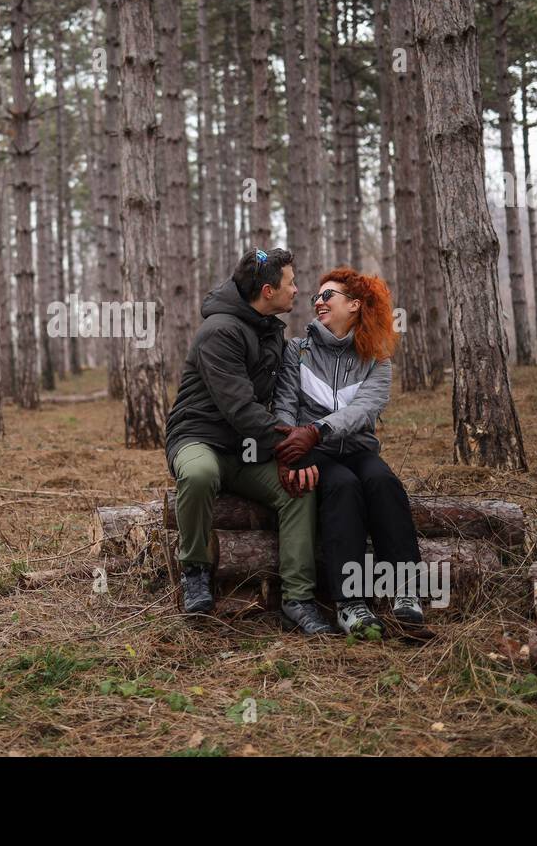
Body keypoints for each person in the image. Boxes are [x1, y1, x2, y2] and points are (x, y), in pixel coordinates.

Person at [165, 248, 335, 635]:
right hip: (199, 437)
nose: (297, 290)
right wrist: (291, 440)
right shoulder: (219, 331)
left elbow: (272, 402)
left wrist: (289, 453)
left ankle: (298, 598)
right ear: (268, 290)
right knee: (199, 475)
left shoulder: (269, 328)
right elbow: (239, 407)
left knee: (298, 489)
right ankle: (195, 570)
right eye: (291, 283)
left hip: (249, 447)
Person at [271, 266, 428, 638]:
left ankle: (405, 592)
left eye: (328, 296)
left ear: (355, 305)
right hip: (317, 455)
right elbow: (283, 405)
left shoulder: (376, 358)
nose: (318, 302)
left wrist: (318, 429)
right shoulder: (297, 350)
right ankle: (350, 603)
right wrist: (291, 450)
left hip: (355, 448)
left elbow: (365, 410)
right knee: (342, 488)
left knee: (382, 481)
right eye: (316, 297)